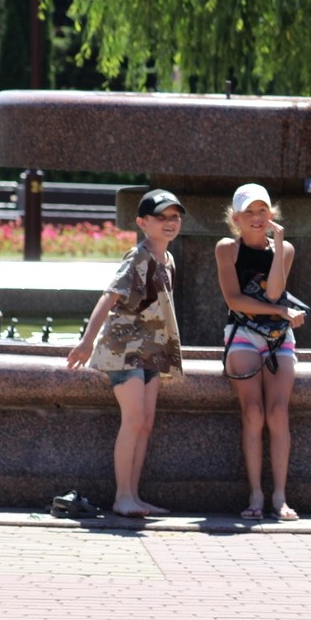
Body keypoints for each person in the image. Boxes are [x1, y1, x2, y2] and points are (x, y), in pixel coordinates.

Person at [66, 189, 185, 518]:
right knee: (133, 420)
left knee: (145, 423)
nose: (170, 223)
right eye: (161, 217)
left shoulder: (168, 259)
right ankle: (122, 496)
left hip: (151, 352)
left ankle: (133, 495)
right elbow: (109, 298)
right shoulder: (138, 257)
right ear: (142, 223)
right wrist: (86, 342)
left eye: (174, 217)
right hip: (125, 351)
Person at [215, 183, 308, 521]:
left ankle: (279, 496)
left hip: (277, 337)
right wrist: (283, 313)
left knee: (278, 413)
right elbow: (234, 299)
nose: (257, 218)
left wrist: (280, 243)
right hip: (243, 334)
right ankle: (255, 494)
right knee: (253, 412)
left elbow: (274, 293)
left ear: (272, 214)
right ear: (236, 218)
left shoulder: (285, 249)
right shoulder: (227, 248)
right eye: (249, 212)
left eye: (262, 211)